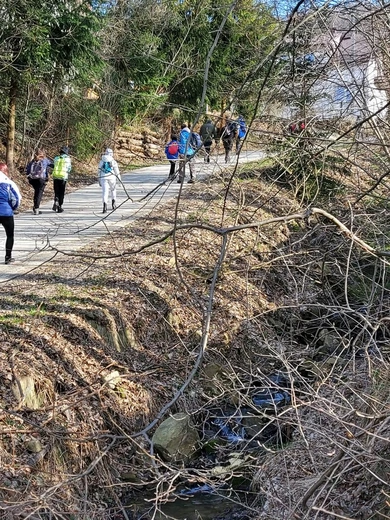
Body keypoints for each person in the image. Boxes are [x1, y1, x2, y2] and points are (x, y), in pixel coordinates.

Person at [0, 163, 22, 264]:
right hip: (6, 212)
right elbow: (16, 198)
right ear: (5, 171)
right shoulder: (9, 182)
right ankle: (7, 257)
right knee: (9, 235)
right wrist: (13, 208)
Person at [26, 149, 53, 215]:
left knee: (36, 192)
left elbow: (27, 170)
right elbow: (53, 165)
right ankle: (36, 208)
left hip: (32, 180)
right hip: (41, 179)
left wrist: (29, 177)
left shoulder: (33, 161)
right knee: (39, 193)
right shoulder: (45, 160)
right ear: (43, 154)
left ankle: (35, 206)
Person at [97, 148, 121, 213]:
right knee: (113, 190)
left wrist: (99, 179)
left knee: (105, 192)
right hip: (112, 177)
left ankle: (105, 207)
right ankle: (113, 204)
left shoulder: (101, 161)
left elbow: (99, 171)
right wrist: (119, 180)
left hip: (103, 178)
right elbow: (117, 171)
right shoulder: (113, 161)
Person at [52, 146, 71, 213]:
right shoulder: (67, 159)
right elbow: (69, 169)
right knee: (61, 192)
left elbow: (53, 165)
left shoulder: (56, 158)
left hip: (55, 177)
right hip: (63, 177)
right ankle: (60, 206)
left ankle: (56, 199)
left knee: (56, 191)